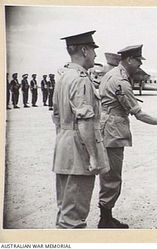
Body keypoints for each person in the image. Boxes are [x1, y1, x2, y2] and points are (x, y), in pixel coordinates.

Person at [98, 44, 157, 228]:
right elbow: (138, 114)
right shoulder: (121, 81)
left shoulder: (110, 74)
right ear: (129, 59)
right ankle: (105, 219)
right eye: (138, 61)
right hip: (113, 132)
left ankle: (106, 215)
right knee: (112, 176)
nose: (139, 65)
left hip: (106, 128)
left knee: (108, 175)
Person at [52, 30, 109, 229]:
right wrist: (93, 156)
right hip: (79, 151)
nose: (95, 55)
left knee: (64, 211)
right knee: (74, 217)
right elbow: (85, 121)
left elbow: (56, 116)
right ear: (84, 50)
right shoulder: (81, 79)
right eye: (93, 50)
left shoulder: (64, 77)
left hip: (64, 147)